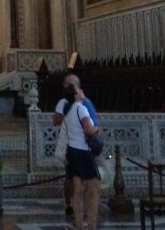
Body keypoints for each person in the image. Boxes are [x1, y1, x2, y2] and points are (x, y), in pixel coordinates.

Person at [53, 73, 101, 224]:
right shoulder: (80, 109)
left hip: (72, 151)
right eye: (78, 89)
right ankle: (91, 224)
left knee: (78, 190)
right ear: (76, 94)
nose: (81, 91)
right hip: (82, 151)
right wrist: (97, 129)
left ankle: (79, 224)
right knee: (94, 188)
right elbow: (89, 129)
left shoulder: (69, 109)